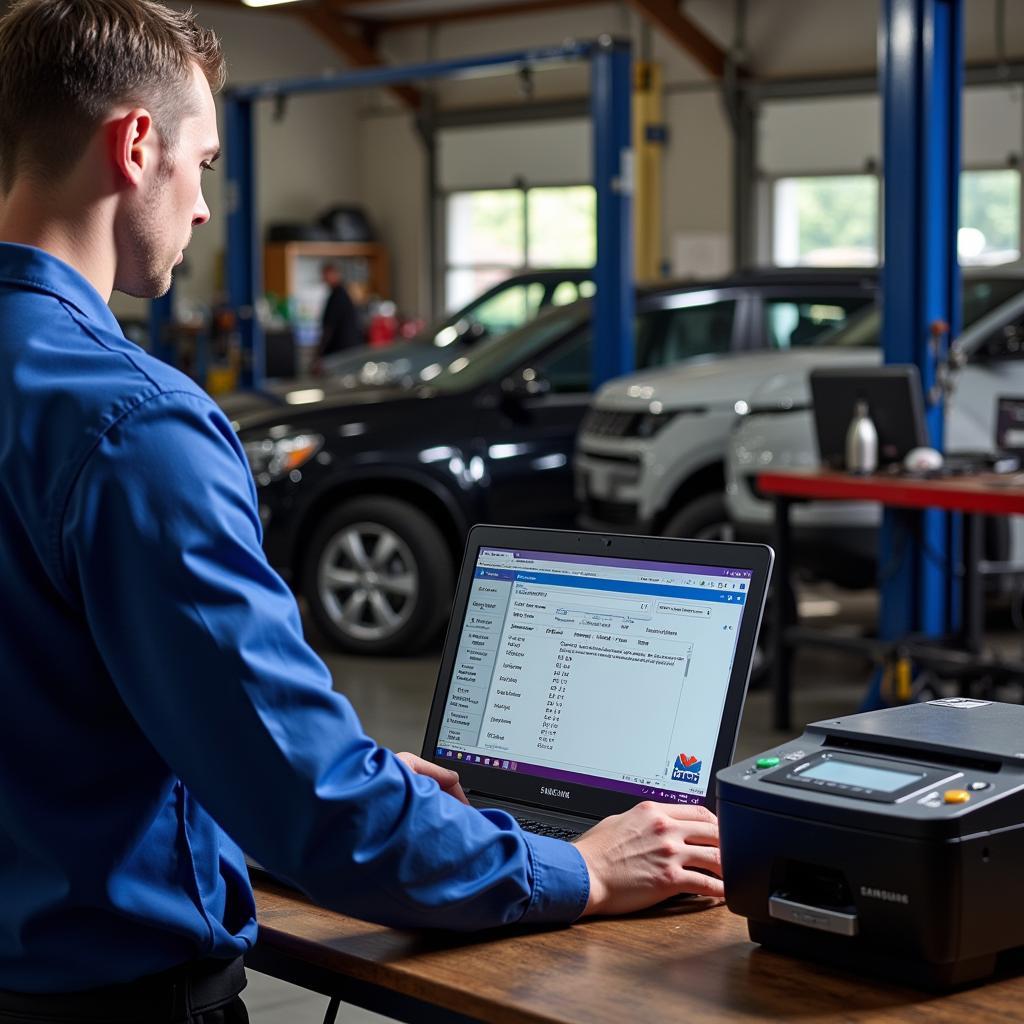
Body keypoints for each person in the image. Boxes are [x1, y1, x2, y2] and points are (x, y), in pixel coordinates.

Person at [0, 1, 723, 1020]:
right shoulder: (133, 426)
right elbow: (323, 817)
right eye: (203, 162)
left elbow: (64, 715)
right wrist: (585, 870)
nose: (203, 206)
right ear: (134, 145)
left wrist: (347, 769)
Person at [312, 262, 362, 373]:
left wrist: (318, 354)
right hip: (347, 348)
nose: (324, 278)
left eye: (326, 274)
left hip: (342, 350)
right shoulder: (340, 294)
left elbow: (329, 327)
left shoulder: (338, 296)